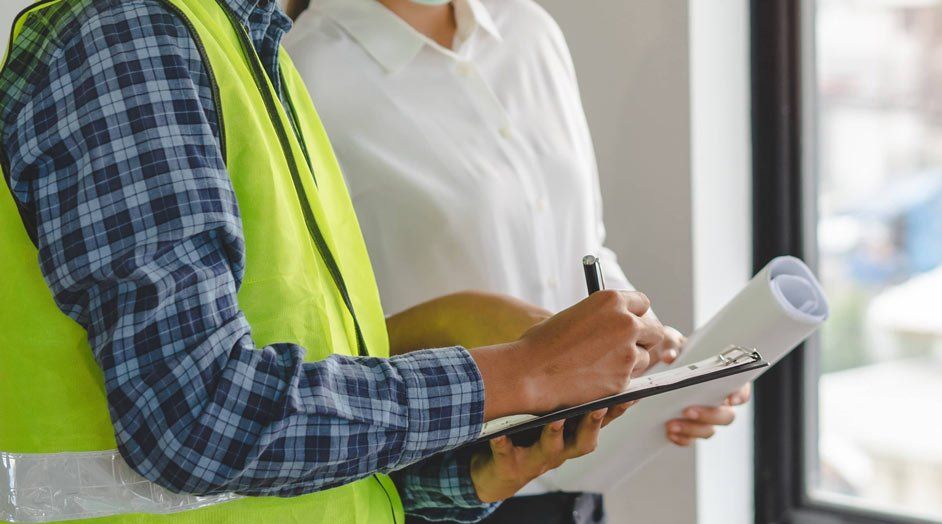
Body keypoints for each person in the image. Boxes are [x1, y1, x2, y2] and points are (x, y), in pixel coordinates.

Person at [0, 0, 668, 522]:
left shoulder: (254, 51)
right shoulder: (127, 42)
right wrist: (519, 373)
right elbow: (194, 416)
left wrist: (467, 476)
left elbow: (302, 383)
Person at [283, 0, 753, 521]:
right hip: (448, 486)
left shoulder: (529, 30)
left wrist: (660, 359)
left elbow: (585, 244)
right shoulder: (306, 69)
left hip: (578, 473)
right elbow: (319, 328)